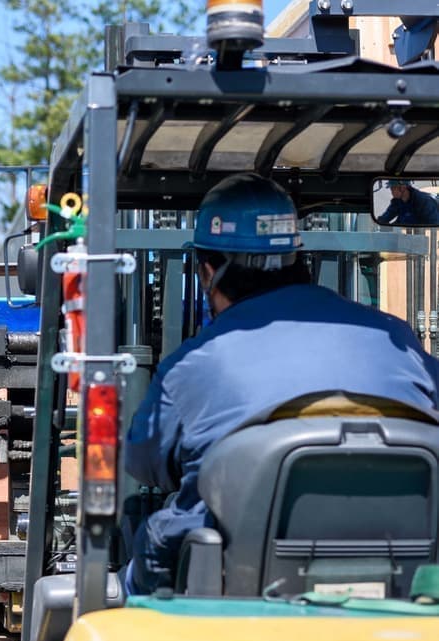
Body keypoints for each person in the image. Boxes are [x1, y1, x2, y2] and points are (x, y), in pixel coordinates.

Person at [124, 173, 439, 595]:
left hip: (241, 580)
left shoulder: (191, 364)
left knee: (148, 535)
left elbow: (144, 463)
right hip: (404, 574)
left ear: (208, 271)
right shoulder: (396, 338)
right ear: (297, 257)